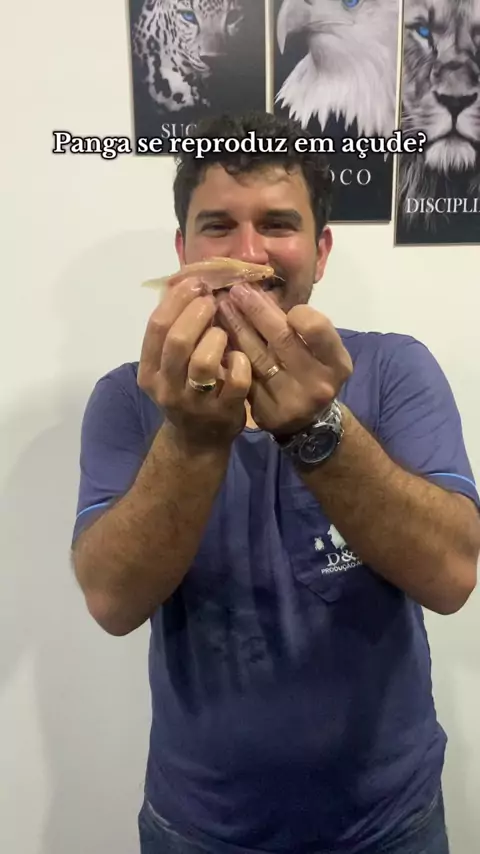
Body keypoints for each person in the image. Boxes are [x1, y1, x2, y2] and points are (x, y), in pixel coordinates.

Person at [71, 111, 480, 854]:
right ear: (182, 252)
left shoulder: (395, 370)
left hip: (391, 823)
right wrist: (191, 439)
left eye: (278, 224)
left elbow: (452, 576)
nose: (248, 254)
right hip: (199, 828)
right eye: (218, 226)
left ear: (320, 252)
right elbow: (112, 601)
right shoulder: (129, 397)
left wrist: (318, 429)